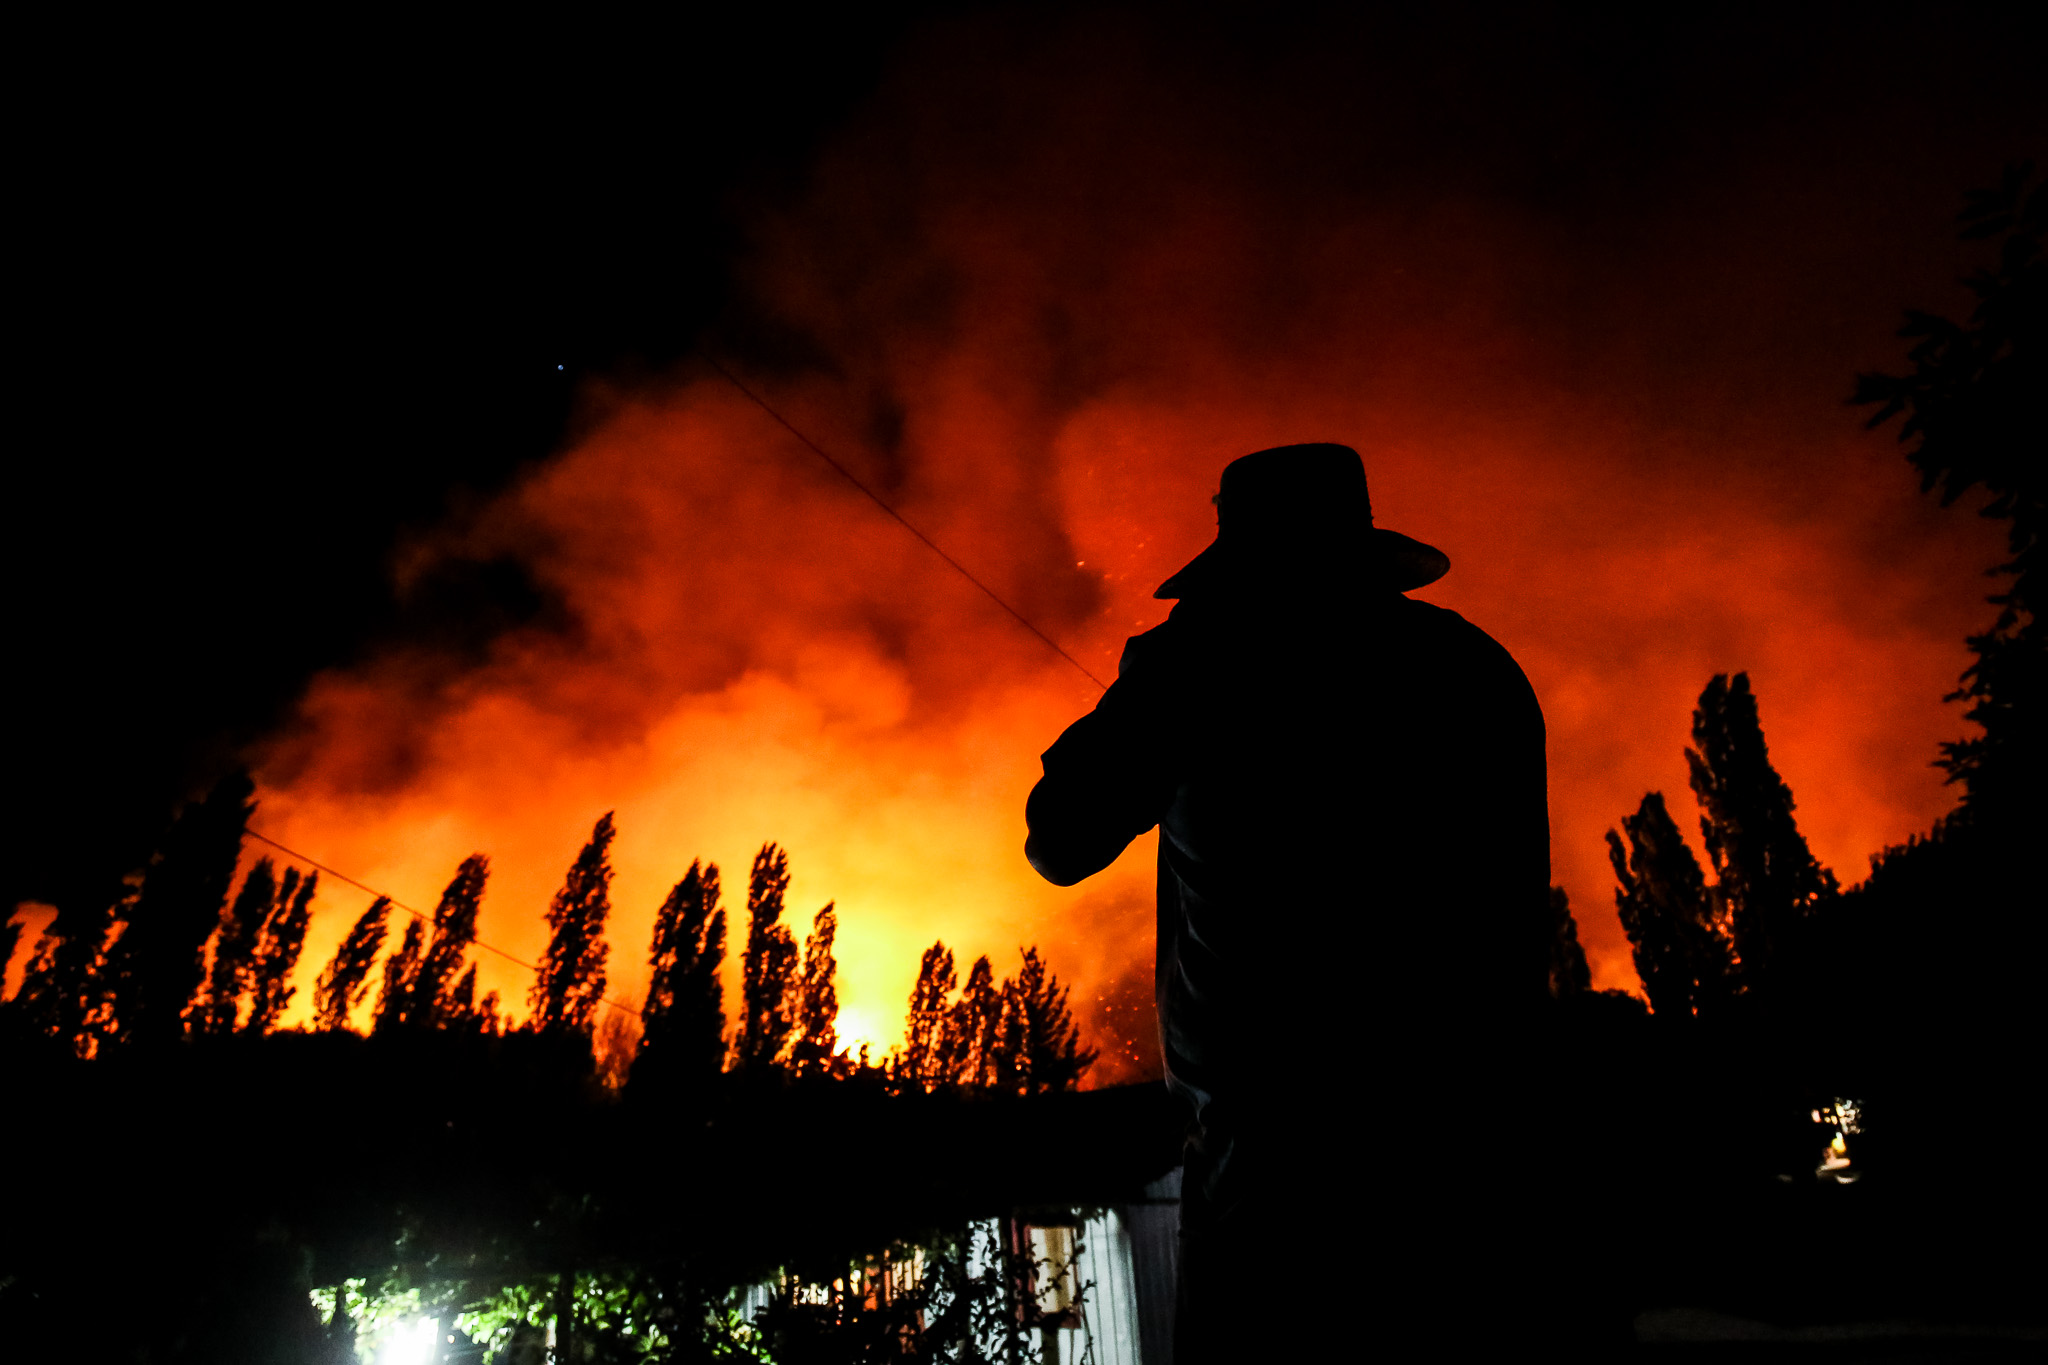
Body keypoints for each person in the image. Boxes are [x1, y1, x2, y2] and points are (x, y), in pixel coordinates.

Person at [1025, 444, 1572, 1357]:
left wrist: (1156, 679)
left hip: (1277, 1173)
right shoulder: (1476, 670)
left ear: (1242, 563)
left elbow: (1061, 837)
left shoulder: (1204, 665)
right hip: (1481, 1154)